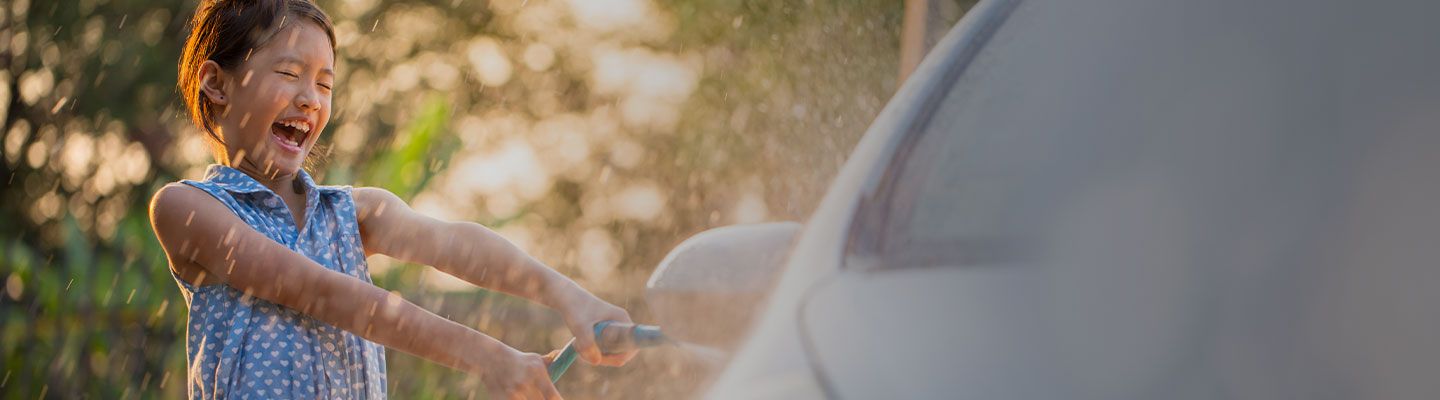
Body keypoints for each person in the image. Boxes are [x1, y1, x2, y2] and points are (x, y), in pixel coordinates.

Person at [148, 0, 634, 398]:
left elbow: (457, 244)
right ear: (217, 83)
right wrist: (490, 357)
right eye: (289, 72)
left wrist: (574, 299)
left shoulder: (350, 212)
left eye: (324, 83)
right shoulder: (187, 208)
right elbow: (323, 294)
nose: (311, 99)